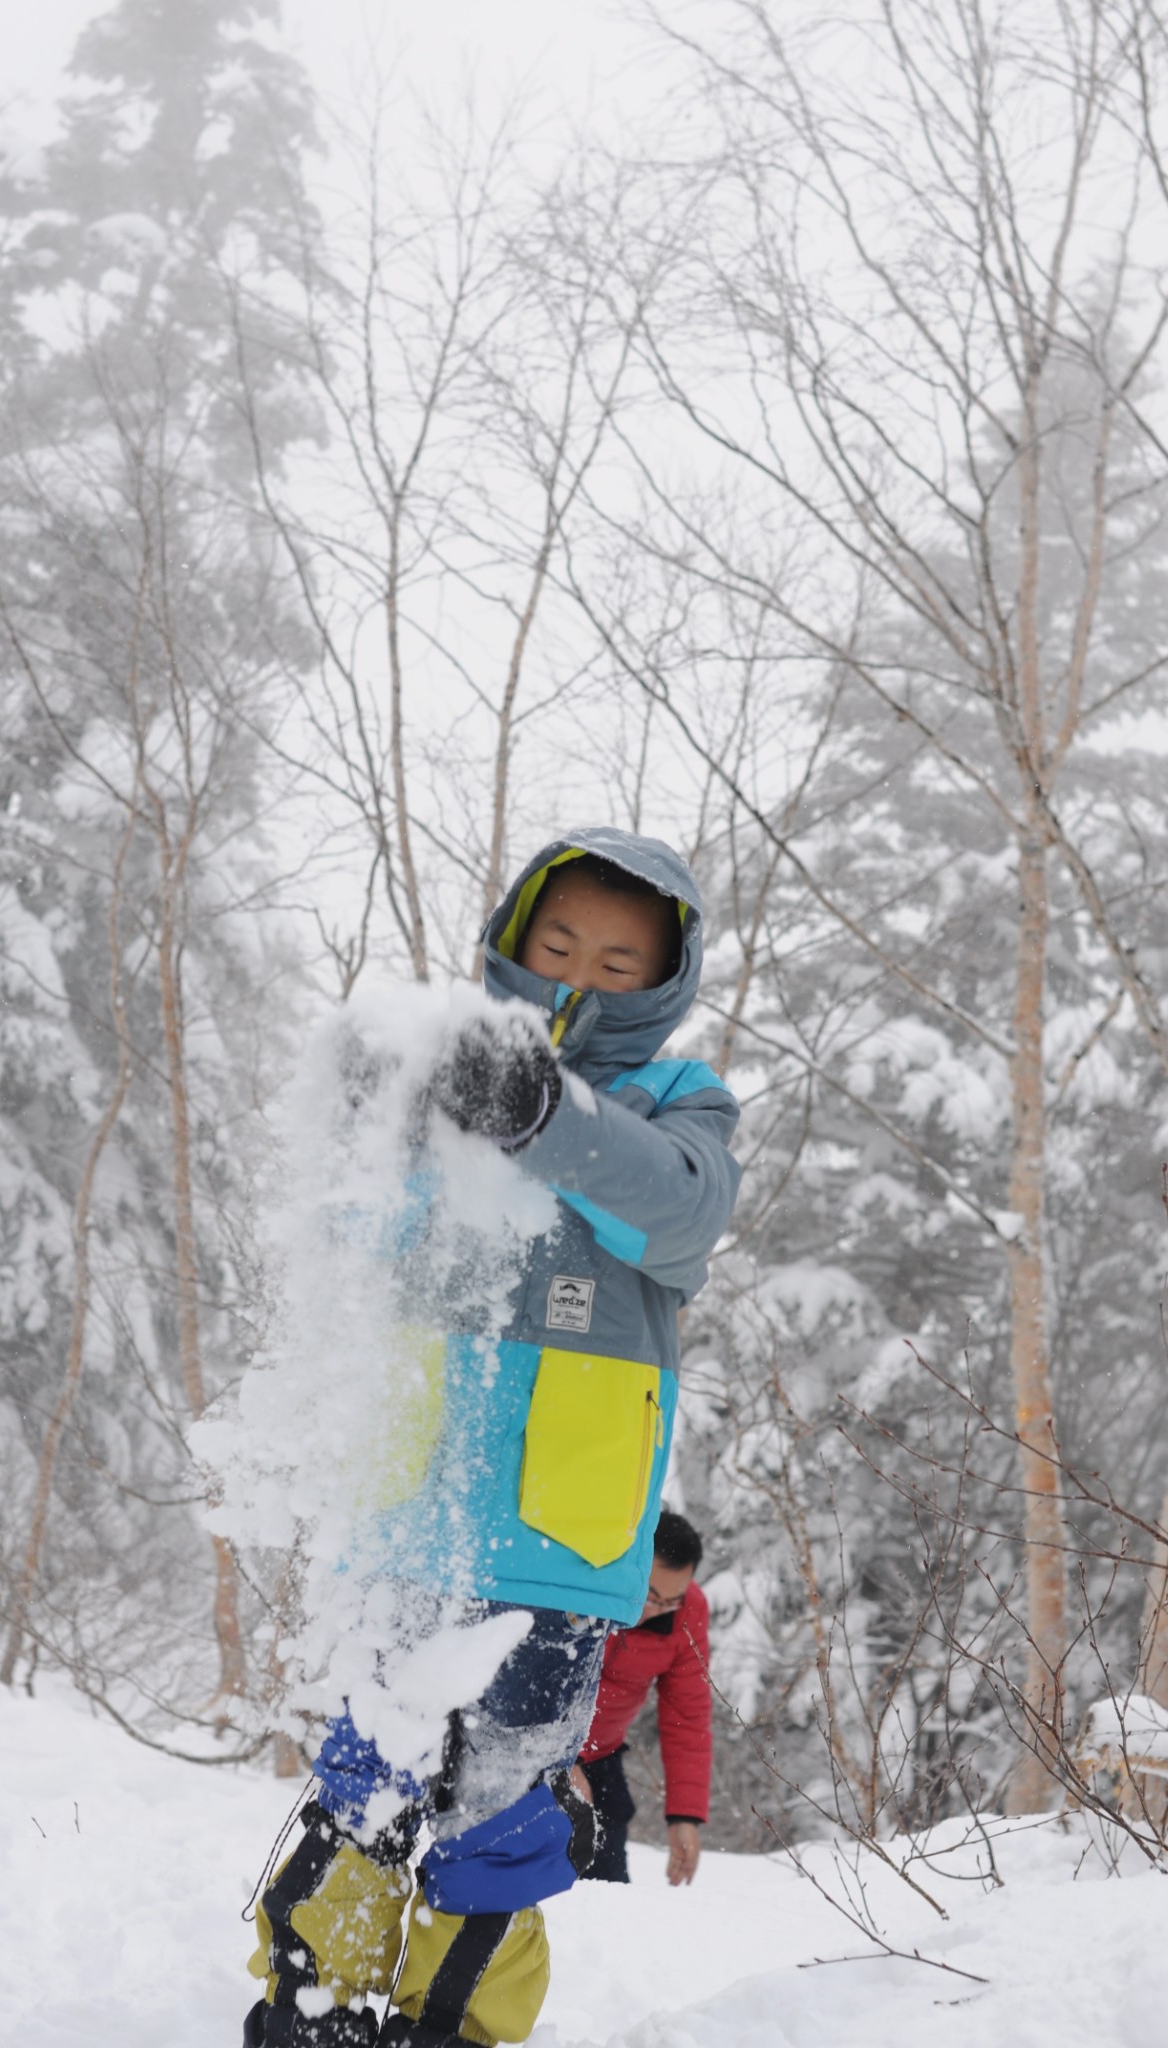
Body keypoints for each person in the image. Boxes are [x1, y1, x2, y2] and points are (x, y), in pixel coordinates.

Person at [243, 828, 741, 2048]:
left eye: (622, 960)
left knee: (497, 1805)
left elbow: (677, 1220)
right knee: (366, 1777)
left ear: (664, 983)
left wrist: (539, 1114)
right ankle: (311, 2000)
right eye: (559, 942)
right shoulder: (436, 1064)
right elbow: (359, 1215)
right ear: (513, 941)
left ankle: (452, 2025)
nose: (583, 973)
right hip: (415, 1506)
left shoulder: (676, 1103)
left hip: (558, 1543)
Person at [574, 1511, 711, 1887]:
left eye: (670, 1601)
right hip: (532, 1744)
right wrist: (558, 1758)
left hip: (601, 1759)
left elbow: (687, 1715)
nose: (653, 1610)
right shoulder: (586, 1581)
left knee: (607, 1885)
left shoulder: (688, 1612)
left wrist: (684, 1816)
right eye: (649, 1595)